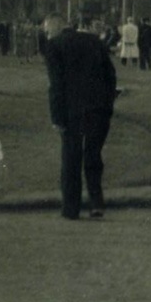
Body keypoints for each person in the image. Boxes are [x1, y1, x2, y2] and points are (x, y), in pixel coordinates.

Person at [43, 12, 117, 220]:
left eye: (47, 31)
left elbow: (56, 85)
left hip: (71, 110)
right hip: (98, 108)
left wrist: (56, 116)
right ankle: (96, 202)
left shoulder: (54, 46)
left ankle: (71, 208)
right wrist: (108, 104)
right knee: (93, 155)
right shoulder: (94, 41)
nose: (47, 35)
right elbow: (111, 77)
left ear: (55, 27)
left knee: (71, 158)